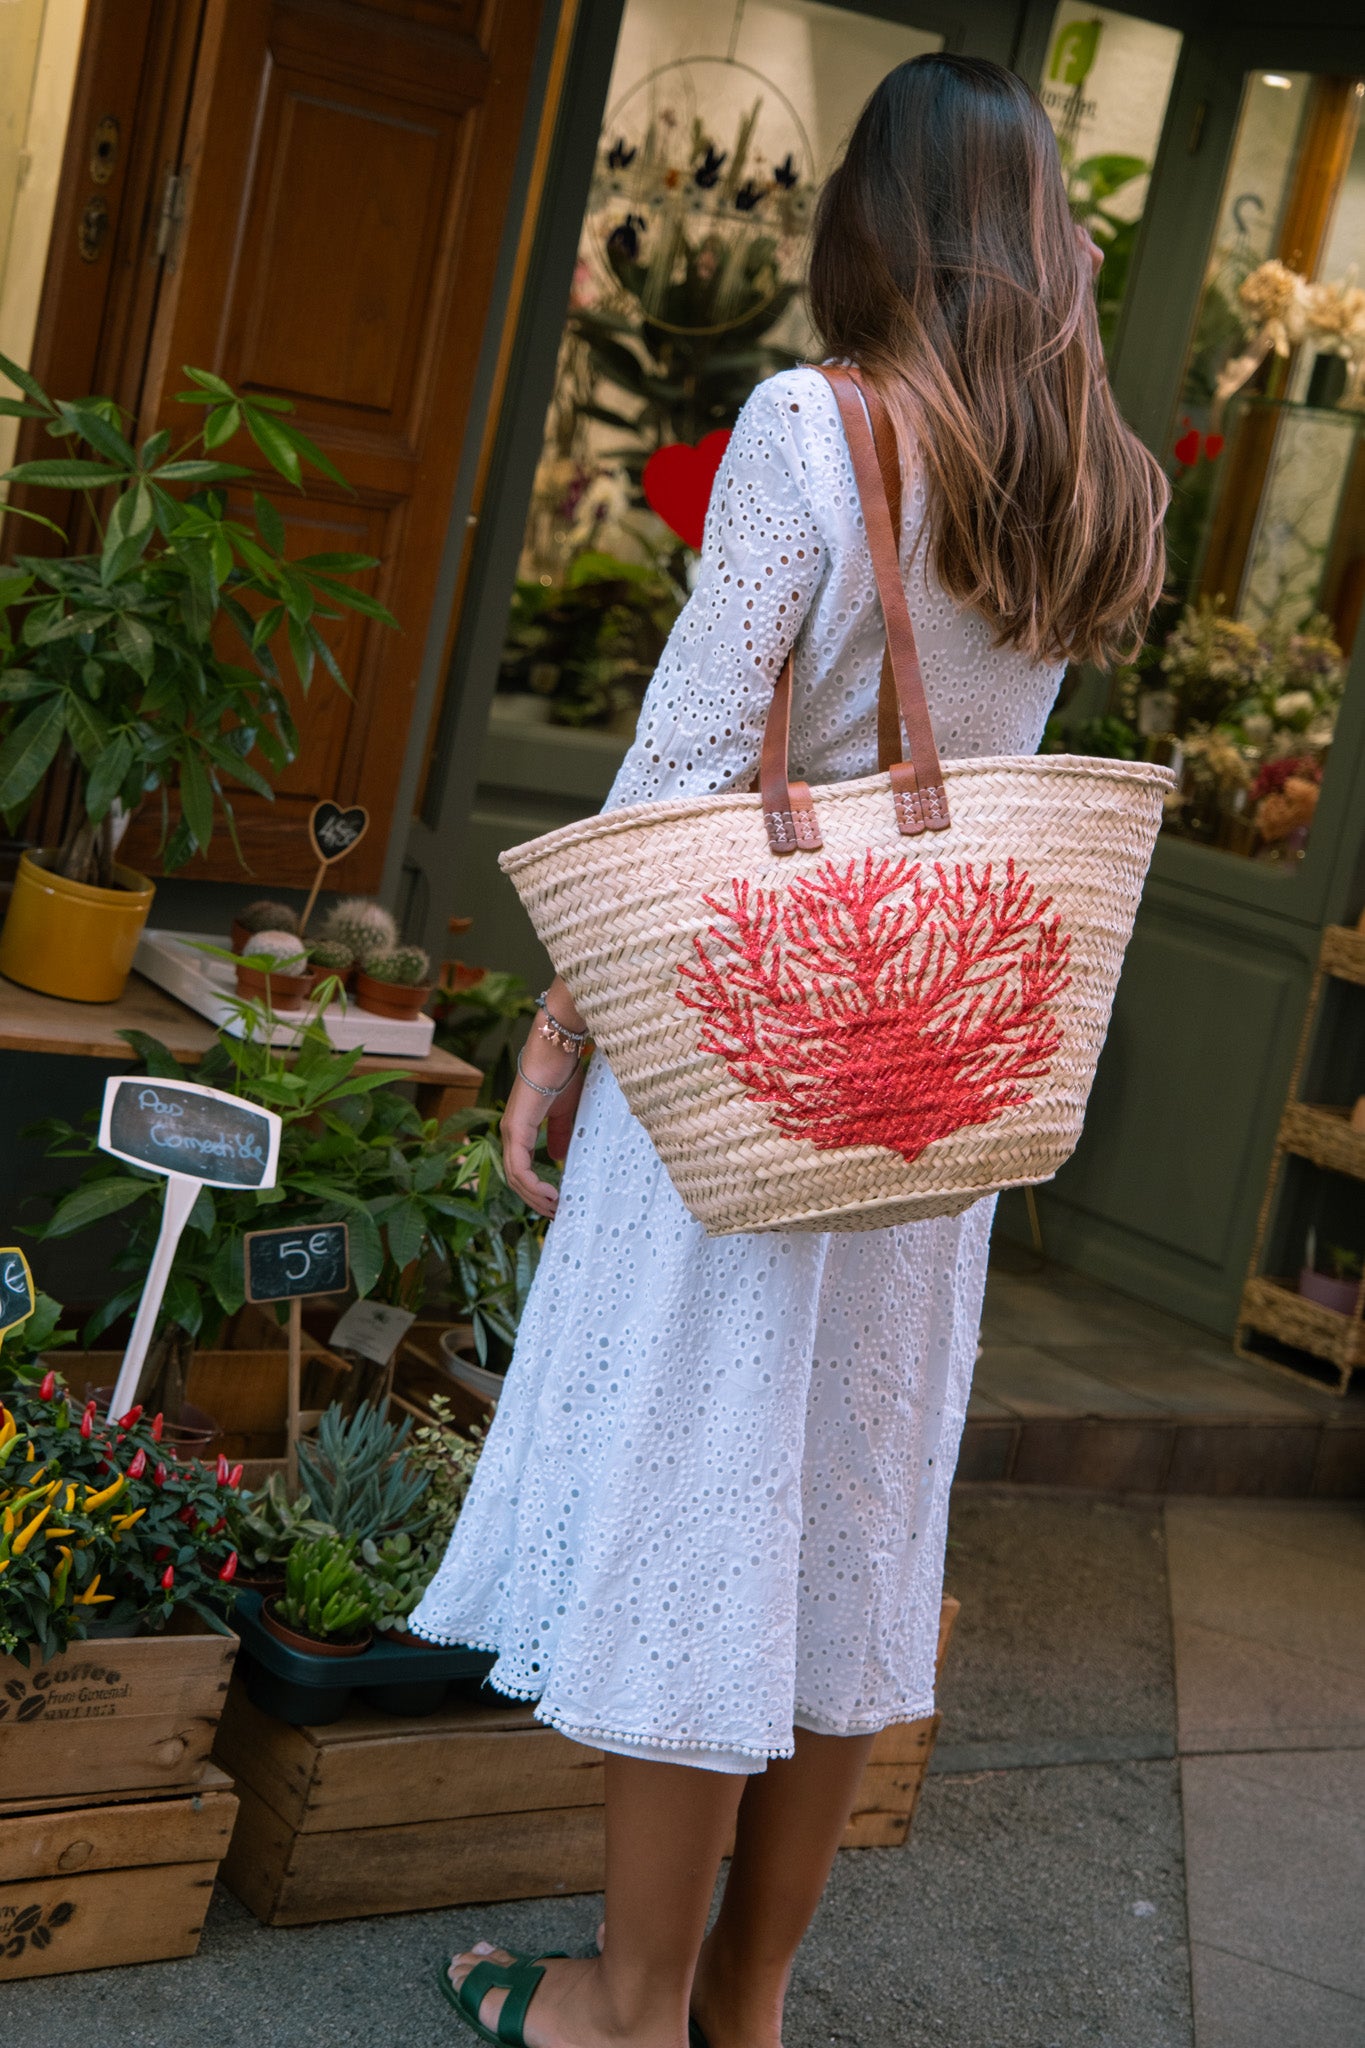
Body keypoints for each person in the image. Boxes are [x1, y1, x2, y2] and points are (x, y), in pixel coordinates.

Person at [412, 51, 1166, 2048]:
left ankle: (619, 2001)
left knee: (701, 1517)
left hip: (755, 1068)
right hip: (924, 1098)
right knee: (844, 1539)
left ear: (874, 221)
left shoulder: (815, 434)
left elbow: (675, 773)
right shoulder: (1078, 476)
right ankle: (744, 2003)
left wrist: (559, 1030)